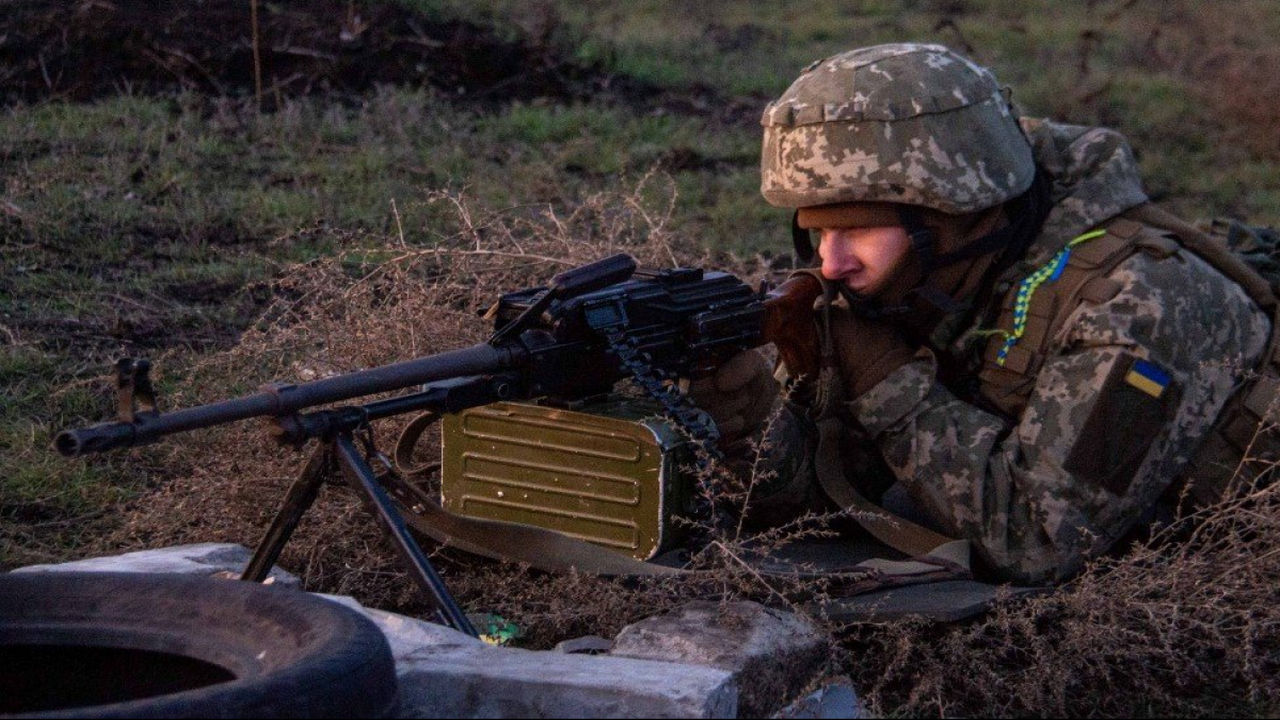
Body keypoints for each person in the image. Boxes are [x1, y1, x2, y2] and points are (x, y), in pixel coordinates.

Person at [692, 43, 1277, 585]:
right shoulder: (927, 278)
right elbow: (820, 501)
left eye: (857, 228)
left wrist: (884, 379)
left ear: (951, 219)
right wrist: (749, 423)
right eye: (815, 232)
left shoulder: (1136, 303)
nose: (831, 262)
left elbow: (1040, 542)